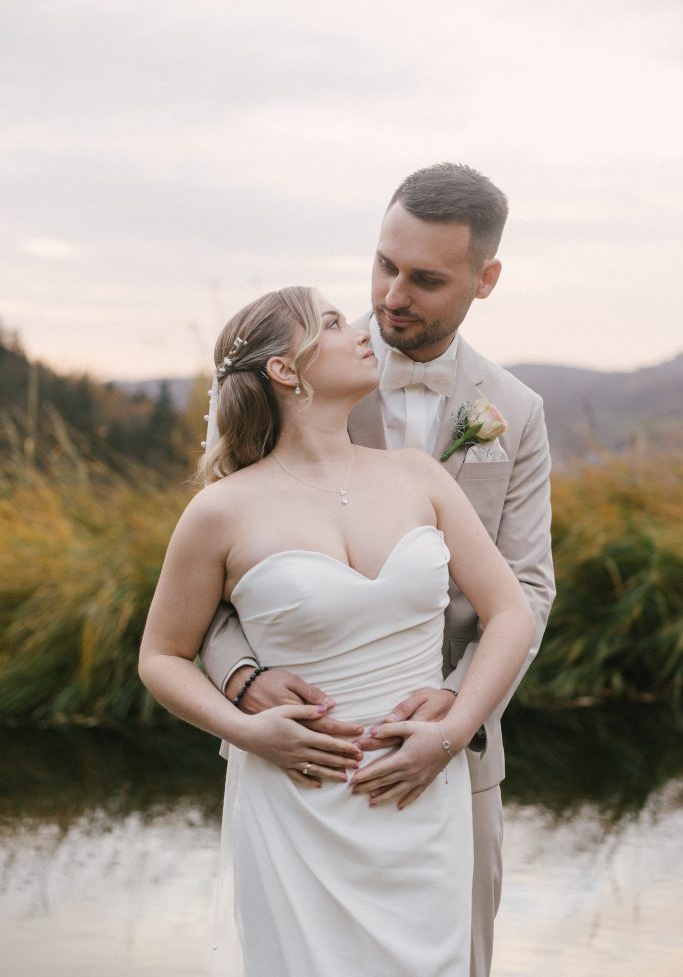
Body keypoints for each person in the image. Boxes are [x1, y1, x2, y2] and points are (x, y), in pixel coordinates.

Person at [200, 164, 555, 977]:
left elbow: (526, 588)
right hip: (300, 755)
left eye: (425, 280)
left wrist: (456, 709)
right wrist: (243, 680)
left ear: (484, 280)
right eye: (384, 265)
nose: (392, 296)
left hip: (452, 757)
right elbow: (215, 573)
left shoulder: (516, 411)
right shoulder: (296, 370)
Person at [138, 284, 535, 976]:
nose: (358, 328)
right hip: (298, 802)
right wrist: (247, 731)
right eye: (328, 322)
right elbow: (162, 656)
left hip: (421, 794)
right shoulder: (220, 511)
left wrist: (450, 732)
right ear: (283, 370)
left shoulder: (417, 476)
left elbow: (512, 612)